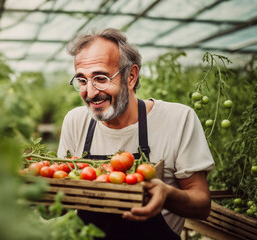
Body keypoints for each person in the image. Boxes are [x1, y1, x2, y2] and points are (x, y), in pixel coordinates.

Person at [57, 28, 215, 240]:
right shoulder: (76, 121)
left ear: (130, 77)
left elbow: (202, 204)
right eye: (82, 81)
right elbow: (62, 199)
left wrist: (167, 195)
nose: (90, 92)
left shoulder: (177, 119)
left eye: (101, 78)